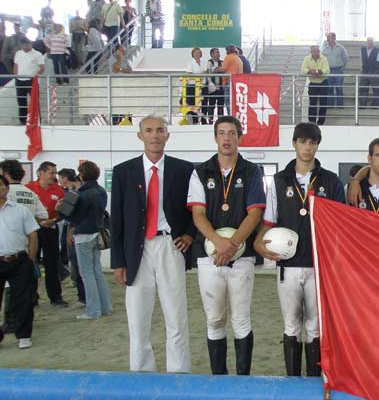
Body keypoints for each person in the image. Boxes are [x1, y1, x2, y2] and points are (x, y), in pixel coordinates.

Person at [255, 122, 345, 377]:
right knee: (291, 325)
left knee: (315, 326)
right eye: (303, 141)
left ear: (317, 145)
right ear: (294, 144)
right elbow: (270, 220)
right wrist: (258, 242)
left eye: (312, 142)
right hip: (288, 267)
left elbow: (340, 222)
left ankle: (313, 381)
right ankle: (293, 380)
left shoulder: (331, 181)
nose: (307, 147)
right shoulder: (280, 180)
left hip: (319, 264)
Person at [111, 115, 195, 373]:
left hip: (171, 245)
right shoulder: (124, 172)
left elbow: (196, 208)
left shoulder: (184, 169)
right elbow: (117, 219)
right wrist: (118, 262)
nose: (155, 135)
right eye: (149, 130)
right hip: (136, 251)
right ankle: (141, 372)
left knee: (176, 314)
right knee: (137, 317)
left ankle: (179, 372)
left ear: (167, 136)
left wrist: (190, 234)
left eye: (160, 130)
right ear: (140, 136)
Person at [187, 116, 266, 375]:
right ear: (215, 137)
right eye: (222, 133)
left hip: (241, 257)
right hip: (208, 256)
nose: (227, 138)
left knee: (241, 319)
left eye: (232, 133)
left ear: (240, 137)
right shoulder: (200, 172)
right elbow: (198, 214)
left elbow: (254, 214)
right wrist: (217, 243)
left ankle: (243, 379)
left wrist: (231, 245)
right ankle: (218, 380)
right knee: (214, 319)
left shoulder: (252, 171)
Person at [0, 160, 47, 334]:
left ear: (6, 174)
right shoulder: (30, 192)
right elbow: (42, 216)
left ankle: (11, 323)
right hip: (26, 248)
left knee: (12, 291)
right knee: (23, 291)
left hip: (14, 250)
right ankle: (18, 322)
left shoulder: (8, 196)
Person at [62, 161, 113, 321]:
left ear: (82, 175)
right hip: (97, 233)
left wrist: (61, 208)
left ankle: (93, 310)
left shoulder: (80, 193)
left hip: (83, 235)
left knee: (87, 273)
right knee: (97, 271)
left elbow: (72, 216)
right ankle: (106, 307)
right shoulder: (101, 191)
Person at [26, 161, 67, 307]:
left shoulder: (59, 190)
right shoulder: (29, 188)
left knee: (52, 264)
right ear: (41, 173)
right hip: (33, 231)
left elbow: (65, 212)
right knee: (32, 263)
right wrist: (39, 222)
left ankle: (55, 297)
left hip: (51, 229)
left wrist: (54, 219)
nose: (54, 176)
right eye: (51, 173)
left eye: (55, 173)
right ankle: (31, 297)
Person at [56, 167, 84, 307]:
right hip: (71, 228)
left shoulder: (75, 192)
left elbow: (67, 213)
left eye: (60, 177)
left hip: (74, 229)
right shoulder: (72, 191)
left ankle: (82, 297)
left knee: (77, 261)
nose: (59, 180)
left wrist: (57, 209)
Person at [13, 37, 45, 125]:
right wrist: (16, 76)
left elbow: (42, 68)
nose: (26, 46)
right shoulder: (18, 53)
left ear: (31, 44)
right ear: (21, 45)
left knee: (34, 102)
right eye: (24, 44)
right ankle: (23, 121)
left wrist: (35, 75)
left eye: (27, 44)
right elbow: (16, 66)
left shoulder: (37, 54)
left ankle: (36, 121)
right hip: (19, 80)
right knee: (21, 102)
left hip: (32, 81)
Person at [300, 45, 330, 125]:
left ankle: (320, 122)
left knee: (323, 103)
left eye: (318, 51)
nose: (316, 53)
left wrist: (318, 72)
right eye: (314, 51)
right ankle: (312, 122)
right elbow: (303, 69)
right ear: (311, 52)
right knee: (312, 103)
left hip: (323, 82)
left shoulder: (324, 58)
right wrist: (310, 71)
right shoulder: (307, 58)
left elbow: (327, 70)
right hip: (313, 83)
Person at [322, 32, 348, 108]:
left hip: (338, 70)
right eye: (327, 37)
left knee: (339, 88)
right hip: (328, 71)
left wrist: (342, 68)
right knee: (329, 89)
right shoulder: (325, 49)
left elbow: (345, 59)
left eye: (329, 37)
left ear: (334, 38)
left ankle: (340, 106)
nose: (327, 39)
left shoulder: (341, 48)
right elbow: (322, 60)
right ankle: (330, 106)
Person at [359, 37, 379, 108]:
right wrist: (362, 69)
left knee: (376, 90)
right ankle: (363, 105)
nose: (369, 42)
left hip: (375, 72)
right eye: (368, 41)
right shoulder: (362, 49)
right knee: (363, 89)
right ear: (366, 42)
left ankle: (375, 106)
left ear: (373, 42)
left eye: (371, 41)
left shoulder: (378, 50)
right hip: (365, 71)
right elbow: (361, 60)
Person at [203, 47, 224, 124]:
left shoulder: (222, 62)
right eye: (216, 52)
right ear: (212, 54)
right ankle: (210, 121)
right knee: (211, 104)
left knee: (220, 105)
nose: (218, 54)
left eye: (218, 52)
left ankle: (221, 121)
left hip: (221, 87)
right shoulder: (209, 62)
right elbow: (209, 72)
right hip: (212, 87)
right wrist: (210, 83)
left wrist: (217, 69)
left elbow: (223, 70)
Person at [184, 47, 205, 124]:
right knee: (190, 103)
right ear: (193, 54)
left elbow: (205, 72)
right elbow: (189, 74)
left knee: (198, 104)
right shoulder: (190, 62)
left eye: (199, 52)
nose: (197, 54)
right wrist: (199, 75)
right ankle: (191, 121)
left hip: (200, 86)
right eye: (195, 52)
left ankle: (197, 121)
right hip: (191, 85)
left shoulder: (203, 62)